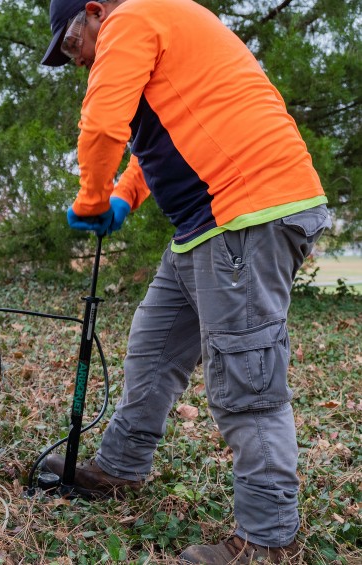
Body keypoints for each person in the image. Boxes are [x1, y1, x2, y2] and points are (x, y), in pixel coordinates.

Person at [38, 0, 331, 563]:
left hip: (247, 213)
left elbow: (104, 123)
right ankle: (120, 466)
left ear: (95, 12)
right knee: (152, 347)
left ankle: (269, 541)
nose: (77, 63)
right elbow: (170, 133)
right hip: (208, 222)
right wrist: (124, 196)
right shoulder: (166, 26)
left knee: (248, 382)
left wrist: (92, 199)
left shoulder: (132, 17)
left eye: (74, 46)